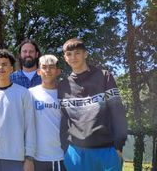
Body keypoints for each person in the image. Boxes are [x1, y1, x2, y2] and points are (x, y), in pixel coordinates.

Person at [58, 38, 127, 171]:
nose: (73, 57)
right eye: (69, 54)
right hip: (75, 153)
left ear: (86, 54)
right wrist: (65, 148)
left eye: (77, 53)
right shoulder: (63, 85)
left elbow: (118, 112)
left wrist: (119, 146)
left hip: (106, 151)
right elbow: (64, 120)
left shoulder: (104, 76)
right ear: (65, 58)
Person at [29, 55, 65, 171]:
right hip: (37, 157)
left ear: (58, 71)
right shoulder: (30, 94)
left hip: (62, 155)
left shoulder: (66, 94)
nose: (48, 70)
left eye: (52, 67)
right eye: (44, 67)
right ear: (38, 71)